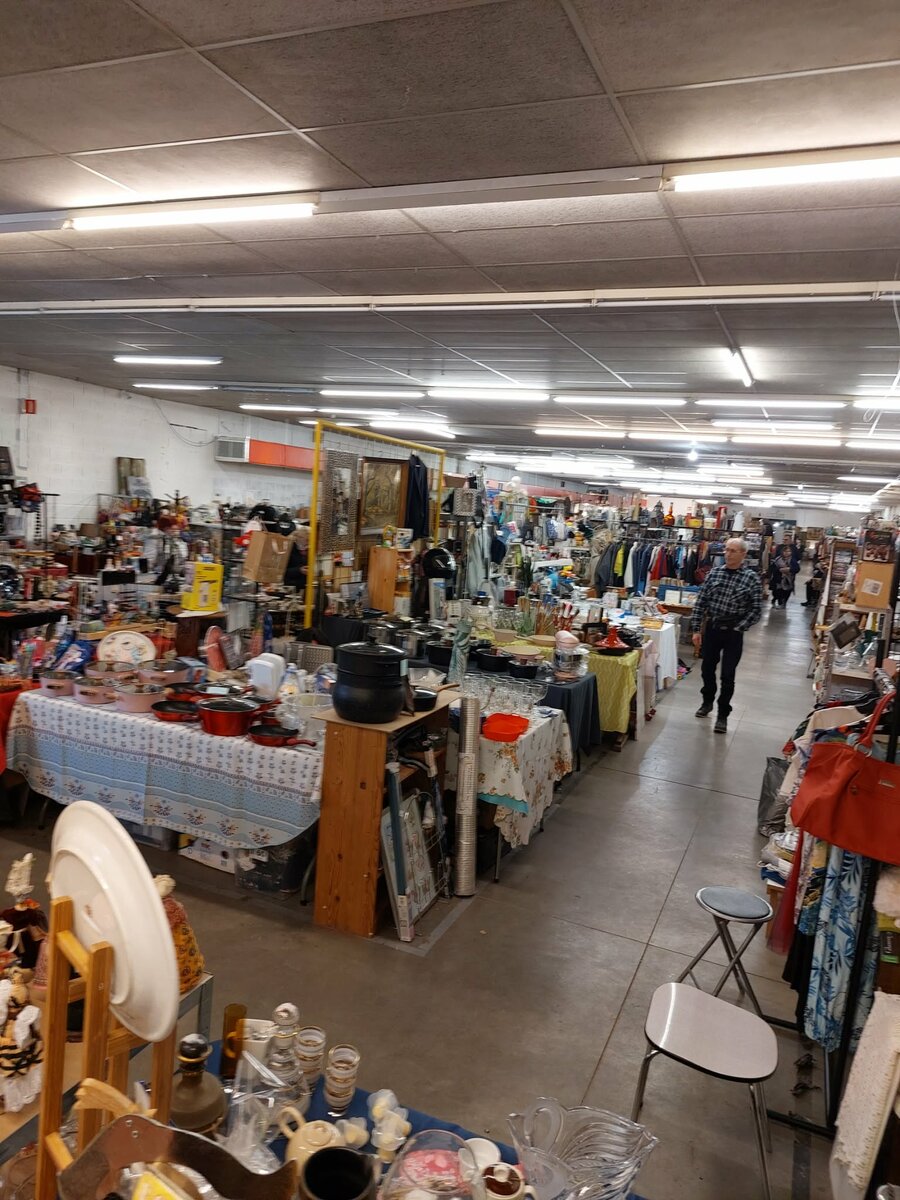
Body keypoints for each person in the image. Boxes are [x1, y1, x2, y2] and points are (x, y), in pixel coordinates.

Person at [691, 537, 763, 734]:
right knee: (707, 669)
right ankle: (707, 702)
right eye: (726, 550)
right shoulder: (714, 573)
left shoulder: (751, 578)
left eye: (733, 551)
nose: (728, 554)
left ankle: (723, 714)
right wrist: (696, 629)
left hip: (734, 632)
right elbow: (701, 602)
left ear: (743, 554)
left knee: (728, 675)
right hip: (713, 628)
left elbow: (756, 609)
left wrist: (740, 627)